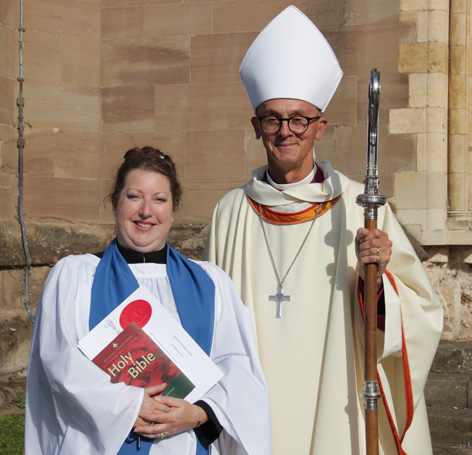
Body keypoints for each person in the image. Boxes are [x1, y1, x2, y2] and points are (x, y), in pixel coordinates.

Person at [203, 6, 443, 455]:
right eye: (272, 119)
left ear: (320, 127)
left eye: (299, 119)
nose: (285, 131)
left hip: (340, 399)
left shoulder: (360, 209)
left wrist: (378, 282)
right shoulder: (230, 212)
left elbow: (421, 315)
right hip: (255, 403)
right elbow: (210, 319)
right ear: (257, 128)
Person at [25, 146, 272, 455]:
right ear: (115, 204)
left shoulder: (211, 282)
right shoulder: (76, 277)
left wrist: (199, 413)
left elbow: (238, 366)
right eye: (133, 196)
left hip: (186, 442)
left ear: (173, 209)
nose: (146, 211)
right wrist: (131, 405)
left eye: (159, 199)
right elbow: (60, 362)